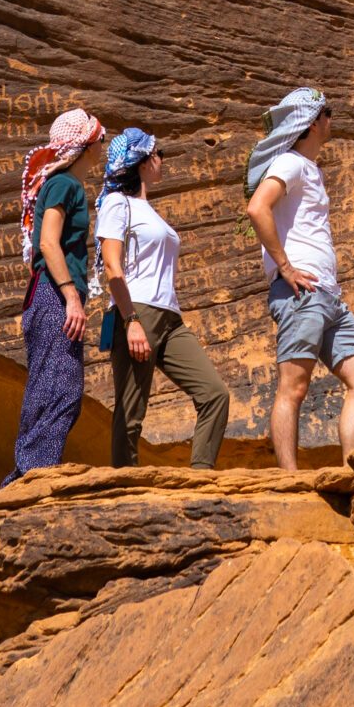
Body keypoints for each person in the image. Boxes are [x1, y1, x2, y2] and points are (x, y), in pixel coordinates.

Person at [244, 87, 354, 469]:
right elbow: (258, 208)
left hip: (326, 294)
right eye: (328, 113)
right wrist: (285, 267)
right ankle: (289, 481)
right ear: (315, 122)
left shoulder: (308, 168)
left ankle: (353, 469)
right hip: (301, 291)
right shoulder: (290, 163)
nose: (331, 120)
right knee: (294, 386)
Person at [96, 127, 233, 469]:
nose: (163, 161)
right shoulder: (117, 203)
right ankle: (123, 487)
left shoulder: (149, 211)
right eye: (160, 154)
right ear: (142, 161)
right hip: (136, 312)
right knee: (131, 412)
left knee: (214, 393)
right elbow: (113, 268)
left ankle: (201, 476)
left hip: (170, 319)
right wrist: (131, 322)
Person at [6, 106, 106, 484]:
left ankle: (25, 476)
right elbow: (49, 243)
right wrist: (72, 297)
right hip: (53, 295)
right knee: (60, 385)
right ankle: (33, 475)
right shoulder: (65, 185)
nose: (103, 145)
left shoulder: (62, 184)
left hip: (45, 296)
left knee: (51, 382)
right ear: (86, 145)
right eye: (100, 138)